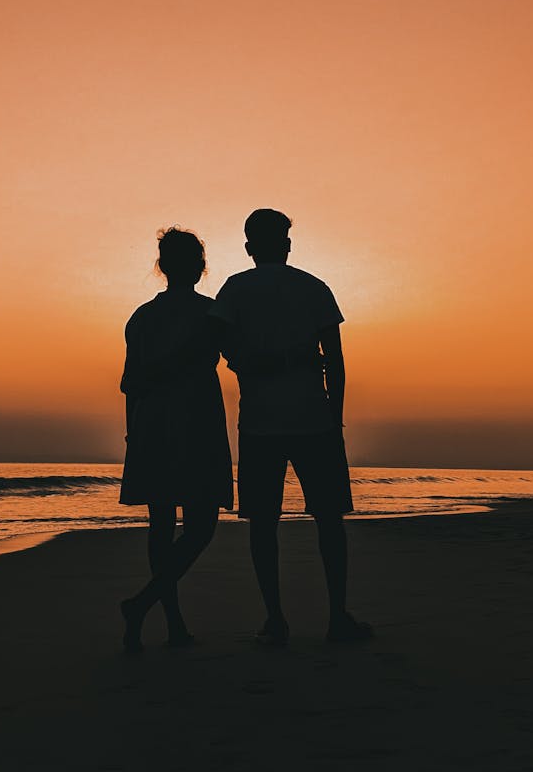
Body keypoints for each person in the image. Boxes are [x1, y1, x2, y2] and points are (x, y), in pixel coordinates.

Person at [210, 208, 372, 646]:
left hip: (259, 423)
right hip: (314, 421)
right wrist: (335, 418)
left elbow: (222, 347)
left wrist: (251, 360)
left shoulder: (234, 290)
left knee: (263, 524)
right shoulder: (313, 288)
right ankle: (337, 616)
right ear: (286, 244)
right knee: (329, 521)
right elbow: (336, 363)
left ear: (249, 247)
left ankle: (276, 618)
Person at [119, 227, 233, 652]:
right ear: (200, 268)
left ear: (163, 267)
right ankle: (146, 606)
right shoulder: (213, 313)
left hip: (151, 424)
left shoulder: (142, 317)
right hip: (196, 422)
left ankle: (171, 621)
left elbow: (129, 384)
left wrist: (133, 433)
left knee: (161, 524)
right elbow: (240, 358)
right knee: (201, 525)